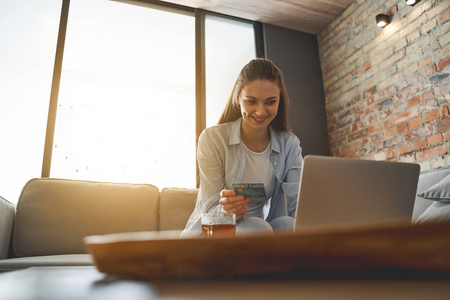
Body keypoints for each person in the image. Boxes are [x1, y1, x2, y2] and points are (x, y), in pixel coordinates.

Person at [181, 58, 303, 237]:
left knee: (288, 224)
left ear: (279, 101)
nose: (261, 111)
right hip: (214, 229)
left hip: (261, 231)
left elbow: (299, 203)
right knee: (258, 229)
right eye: (251, 101)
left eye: (270, 102)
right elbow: (208, 211)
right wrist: (227, 211)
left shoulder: (289, 144)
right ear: (238, 98)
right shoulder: (212, 139)